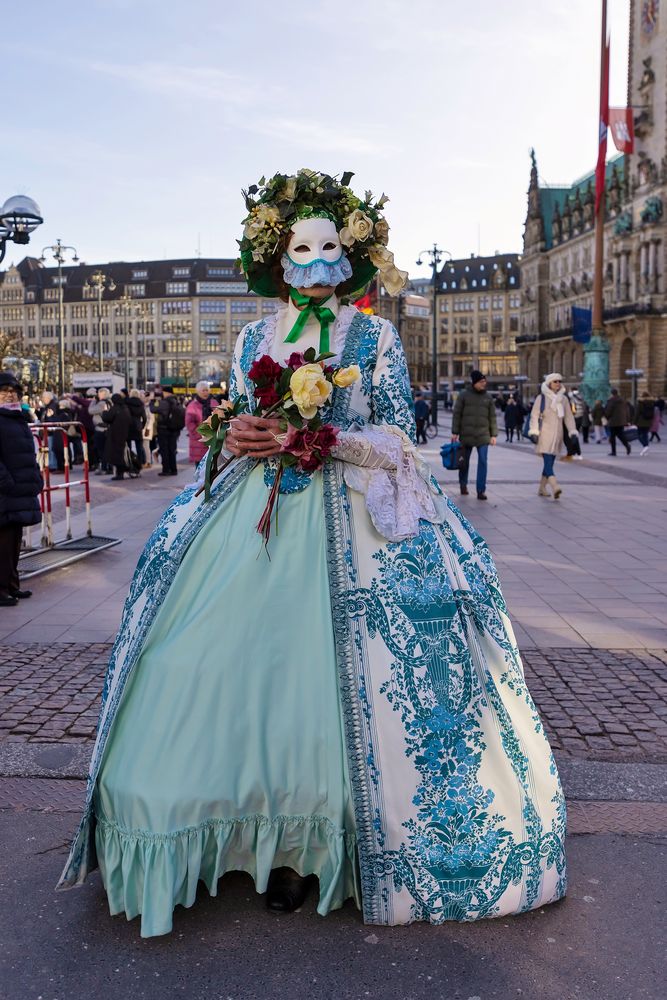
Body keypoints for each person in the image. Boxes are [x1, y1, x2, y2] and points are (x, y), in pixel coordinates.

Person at [59, 168, 565, 937]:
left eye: (331, 246)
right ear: (277, 256)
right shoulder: (252, 337)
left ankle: (312, 847)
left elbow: (399, 438)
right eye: (301, 247)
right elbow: (231, 420)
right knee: (206, 661)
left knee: (325, 681)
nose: (316, 261)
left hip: (352, 520)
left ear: (350, 256)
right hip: (252, 519)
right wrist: (236, 434)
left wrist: (325, 439)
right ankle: (225, 826)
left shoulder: (377, 336)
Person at [0, 372, 42, 606]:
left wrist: (35, 478)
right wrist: (8, 483)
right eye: (4, 391)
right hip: (6, 491)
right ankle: (1, 589)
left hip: (19, 489)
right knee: (3, 543)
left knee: (15, 542)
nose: (9, 394)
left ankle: (12, 585)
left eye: (12, 391)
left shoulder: (19, 417)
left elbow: (29, 453)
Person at [528, 373, 577, 499]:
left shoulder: (564, 399)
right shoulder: (542, 398)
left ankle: (542, 488)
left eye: (559, 381)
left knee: (549, 463)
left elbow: (568, 417)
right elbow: (534, 415)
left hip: (557, 436)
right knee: (548, 462)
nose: (558, 384)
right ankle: (555, 487)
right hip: (544, 434)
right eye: (555, 381)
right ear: (549, 383)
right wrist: (534, 431)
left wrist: (572, 431)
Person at [451, 370, 497, 500]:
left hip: (483, 436)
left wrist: (494, 435)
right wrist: (455, 432)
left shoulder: (488, 397)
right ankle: (463, 485)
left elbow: (492, 417)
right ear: (475, 382)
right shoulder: (463, 395)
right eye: (482, 381)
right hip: (466, 435)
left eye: (485, 381)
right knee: (464, 463)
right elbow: (457, 414)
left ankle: (481, 490)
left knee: (483, 462)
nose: (484, 384)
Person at [151, 386, 184, 476]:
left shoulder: (165, 402)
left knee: (164, 450)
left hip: (164, 429)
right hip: (174, 430)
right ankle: (174, 469)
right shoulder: (177, 401)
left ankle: (166, 470)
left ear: (165, 392)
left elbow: (153, 409)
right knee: (172, 450)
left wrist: (152, 401)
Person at [101, 393, 132, 480]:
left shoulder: (115, 408)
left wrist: (105, 411)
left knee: (116, 454)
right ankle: (120, 472)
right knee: (120, 453)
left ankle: (119, 473)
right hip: (124, 433)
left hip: (115, 434)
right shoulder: (126, 408)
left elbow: (107, 418)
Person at [185, 381, 215, 464]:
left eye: (207, 390)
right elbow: (190, 424)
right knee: (200, 471)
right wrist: (202, 434)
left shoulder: (214, 403)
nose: (205, 392)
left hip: (213, 441)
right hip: (199, 442)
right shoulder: (192, 406)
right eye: (203, 390)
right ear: (198, 391)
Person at [89, 389, 113, 475]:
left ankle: (104, 468)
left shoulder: (102, 403)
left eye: (99, 394)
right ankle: (109, 467)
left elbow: (91, 411)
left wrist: (93, 401)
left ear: (103, 394)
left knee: (101, 450)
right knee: (107, 449)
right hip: (108, 428)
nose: (98, 396)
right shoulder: (110, 402)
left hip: (101, 429)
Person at [604, 388, 631, 456]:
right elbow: (627, 410)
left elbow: (608, 411)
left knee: (613, 436)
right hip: (621, 421)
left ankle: (614, 451)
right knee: (620, 434)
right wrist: (627, 419)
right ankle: (627, 445)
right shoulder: (623, 400)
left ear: (611, 394)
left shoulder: (611, 401)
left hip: (613, 421)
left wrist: (606, 417)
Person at [127, 389, 147, 468]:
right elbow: (144, 418)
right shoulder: (141, 404)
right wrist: (142, 425)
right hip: (138, 426)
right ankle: (141, 462)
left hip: (129, 426)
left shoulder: (127, 403)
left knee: (128, 446)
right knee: (139, 446)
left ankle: (129, 462)